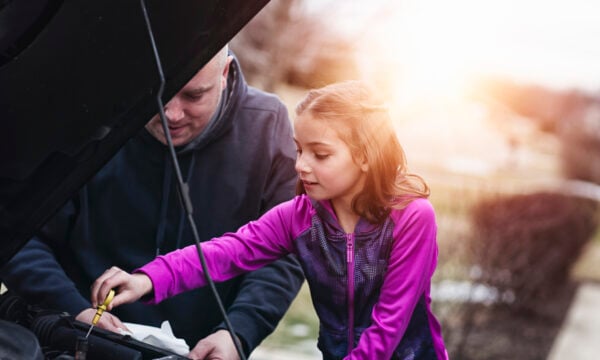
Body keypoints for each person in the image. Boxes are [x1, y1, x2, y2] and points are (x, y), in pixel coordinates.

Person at [91, 80, 449, 360]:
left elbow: (389, 323)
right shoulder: (298, 217)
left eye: (320, 154)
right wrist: (147, 278)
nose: (300, 165)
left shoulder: (412, 218)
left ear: (366, 156)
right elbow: (226, 252)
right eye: (299, 149)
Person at [0, 46, 304, 359]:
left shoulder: (268, 126)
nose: (171, 112)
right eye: (157, 93)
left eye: (193, 96)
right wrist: (72, 311)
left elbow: (283, 250)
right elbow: (17, 231)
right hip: (69, 338)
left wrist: (238, 331)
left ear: (224, 74)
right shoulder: (86, 112)